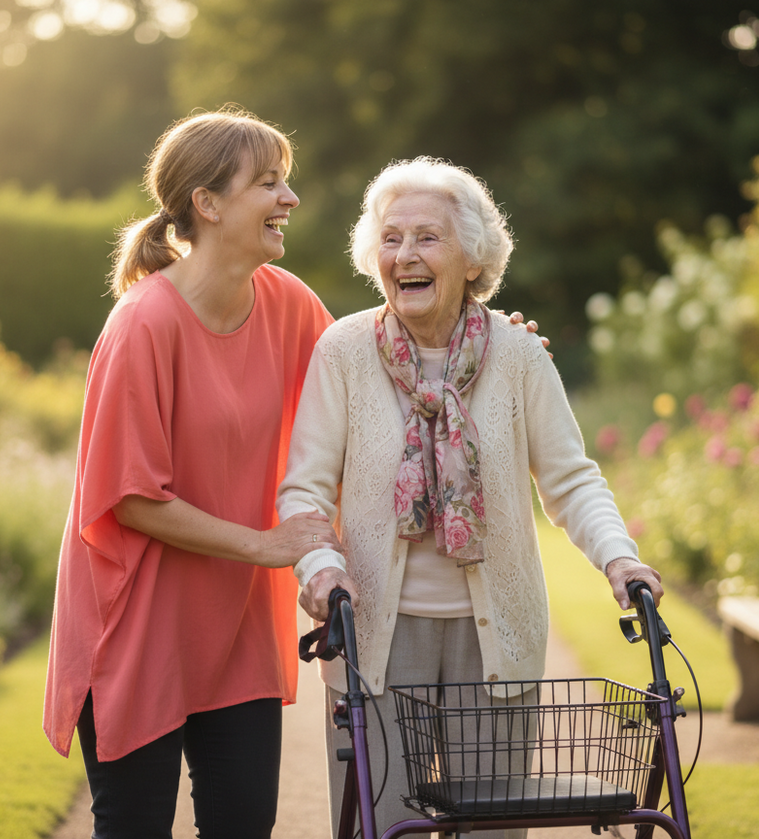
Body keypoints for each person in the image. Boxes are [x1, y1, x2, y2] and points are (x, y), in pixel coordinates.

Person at [42, 111, 544, 839]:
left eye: (287, 181)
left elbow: (383, 368)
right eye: (269, 183)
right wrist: (270, 544)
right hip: (136, 625)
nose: (291, 199)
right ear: (208, 205)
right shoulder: (142, 325)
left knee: (245, 823)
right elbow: (129, 500)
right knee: (133, 827)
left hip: (234, 628)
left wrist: (494, 340)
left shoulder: (288, 304)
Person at [276, 156, 664, 838]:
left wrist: (619, 559)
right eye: (391, 238)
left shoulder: (519, 354)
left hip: (496, 643)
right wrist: (318, 567)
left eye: (427, 237)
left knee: (491, 830)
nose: (405, 255)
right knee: (378, 825)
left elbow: (571, 478)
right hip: (374, 638)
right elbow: (304, 487)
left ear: (472, 256)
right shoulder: (342, 351)